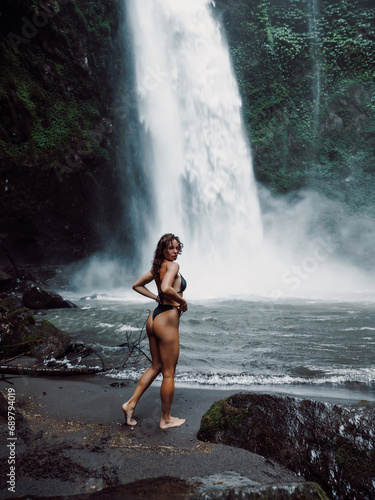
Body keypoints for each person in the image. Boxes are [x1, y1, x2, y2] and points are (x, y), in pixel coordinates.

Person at [122, 233, 188, 430]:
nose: (175, 251)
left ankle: (130, 404)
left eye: (177, 248)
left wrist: (155, 297)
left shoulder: (157, 267)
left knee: (156, 366)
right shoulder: (173, 266)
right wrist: (182, 301)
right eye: (170, 248)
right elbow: (167, 287)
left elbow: (137, 285)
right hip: (166, 318)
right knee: (169, 373)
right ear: (163, 249)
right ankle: (166, 419)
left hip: (153, 318)